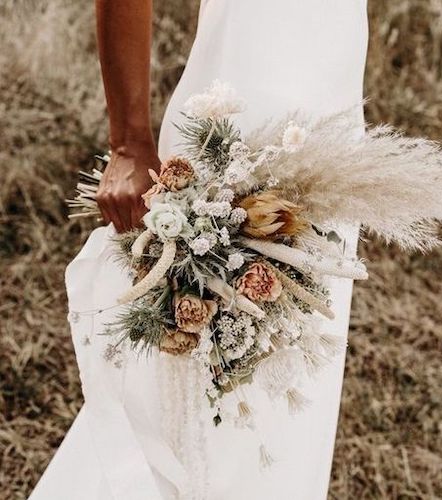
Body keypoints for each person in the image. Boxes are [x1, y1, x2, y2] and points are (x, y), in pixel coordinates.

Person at [30, 1, 368, 498]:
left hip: (335, 141)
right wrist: (128, 142)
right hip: (236, 130)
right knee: (177, 406)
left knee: (288, 408)